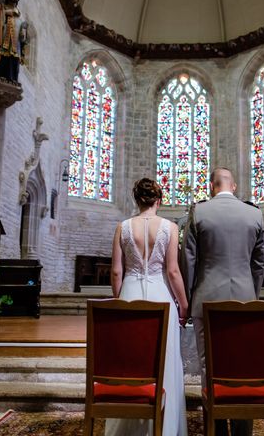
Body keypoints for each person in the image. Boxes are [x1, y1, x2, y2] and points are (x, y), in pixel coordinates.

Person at [181, 167, 264, 436]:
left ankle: (215, 430)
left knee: (210, 367)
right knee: (244, 367)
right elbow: (259, 263)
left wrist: (189, 294)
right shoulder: (254, 213)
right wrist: (252, 295)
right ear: (236, 185)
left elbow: (189, 261)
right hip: (245, 300)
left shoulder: (199, 211)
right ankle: (243, 430)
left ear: (211, 186)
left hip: (206, 299)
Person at [106, 178, 189, 436]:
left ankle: (127, 425)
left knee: (129, 361)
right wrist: (184, 305)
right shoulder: (170, 227)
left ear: (136, 200)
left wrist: (119, 300)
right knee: (163, 362)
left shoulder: (122, 227)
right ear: (159, 200)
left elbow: (116, 272)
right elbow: (173, 271)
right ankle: (163, 427)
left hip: (130, 294)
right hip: (161, 296)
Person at [0, 0, 28, 83]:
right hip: (4, 40)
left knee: (14, 60)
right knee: (3, 57)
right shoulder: (2, 8)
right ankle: (0, 77)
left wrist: (23, 35)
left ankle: (12, 79)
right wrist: (6, 13)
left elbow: (23, 33)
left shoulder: (20, 15)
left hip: (16, 45)